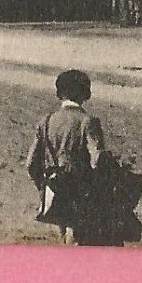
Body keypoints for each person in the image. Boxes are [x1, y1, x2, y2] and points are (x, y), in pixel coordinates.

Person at [25, 70, 107, 245]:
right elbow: (98, 160)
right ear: (86, 94)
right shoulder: (88, 122)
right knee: (78, 243)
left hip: (53, 191)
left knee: (62, 240)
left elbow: (31, 163)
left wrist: (44, 186)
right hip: (81, 193)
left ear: (59, 93)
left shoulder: (46, 121)